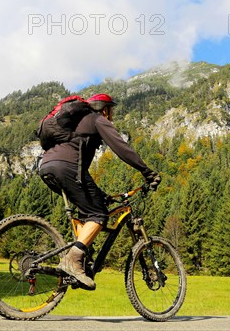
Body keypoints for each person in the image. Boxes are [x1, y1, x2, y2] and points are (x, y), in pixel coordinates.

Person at [38, 93, 160, 289]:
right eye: (111, 111)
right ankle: (74, 259)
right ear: (105, 109)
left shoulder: (77, 123)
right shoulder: (97, 119)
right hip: (67, 167)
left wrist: (101, 194)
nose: (112, 115)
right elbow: (122, 147)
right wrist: (148, 172)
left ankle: (81, 261)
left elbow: (81, 172)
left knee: (90, 209)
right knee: (98, 214)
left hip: (47, 166)